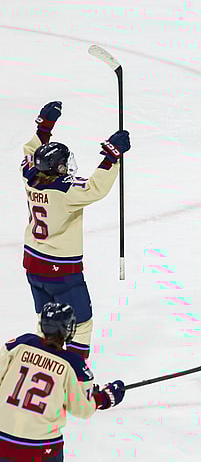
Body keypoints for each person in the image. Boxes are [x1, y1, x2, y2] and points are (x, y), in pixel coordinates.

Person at [21, 101, 130, 359]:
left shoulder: (29, 177)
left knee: (48, 322)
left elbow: (29, 152)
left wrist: (44, 127)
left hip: (32, 264)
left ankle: (44, 366)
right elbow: (95, 188)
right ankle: (76, 379)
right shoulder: (65, 192)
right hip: (61, 269)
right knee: (81, 324)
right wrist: (112, 155)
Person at [0, 302, 125, 462]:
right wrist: (104, 398)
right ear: (69, 329)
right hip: (40, 449)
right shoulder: (74, 364)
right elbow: (82, 409)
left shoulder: (22, 343)